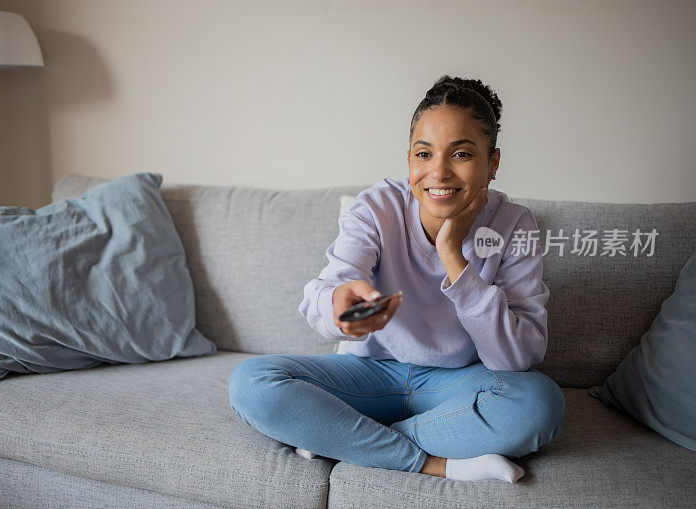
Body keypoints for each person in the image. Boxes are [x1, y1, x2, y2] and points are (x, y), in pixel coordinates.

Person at [227, 75, 564, 483]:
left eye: (460, 153)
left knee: (539, 404)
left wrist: (453, 256)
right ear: (409, 160)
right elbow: (329, 288)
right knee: (251, 382)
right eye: (424, 154)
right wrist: (340, 305)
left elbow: (517, 357)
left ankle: (344, 440)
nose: (438, 172)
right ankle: (435, 464)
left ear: (492, 163)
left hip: (454, 386)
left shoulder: (514, 225)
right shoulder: (377, 207)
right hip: (370, 376)